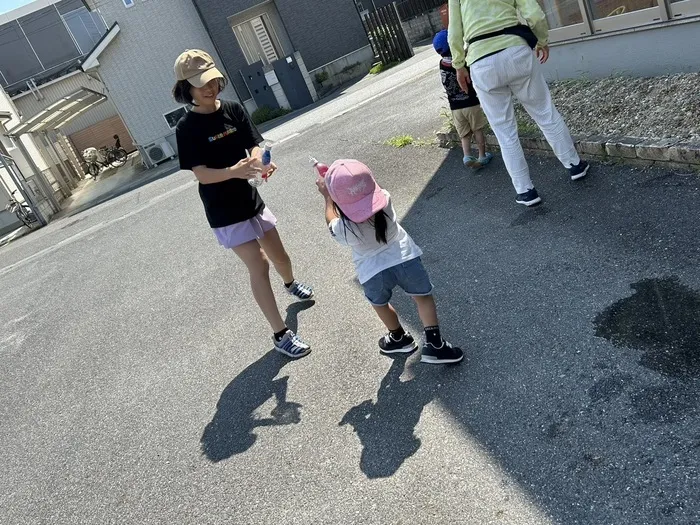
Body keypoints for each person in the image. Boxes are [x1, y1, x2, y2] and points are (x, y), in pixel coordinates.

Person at [173, 49, 313, 358]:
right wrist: (234, 172)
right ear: (187, 89)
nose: (209, 88)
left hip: (250, 197)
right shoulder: (186, 128)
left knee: (280, 255)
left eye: (212, 80)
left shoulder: (234, 110)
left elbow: (252, 144)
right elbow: (202, 175)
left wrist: (258, 161)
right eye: (200, 84)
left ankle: (289, 283)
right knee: (259, 263)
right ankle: (280, 334)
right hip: (223, 210)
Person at [316, 159, 463, 365]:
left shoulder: (343, 229)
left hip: (372, 271)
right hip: (404, 256)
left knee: (380, 304)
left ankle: (398, 337)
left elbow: (331, 219)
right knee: (423, 297)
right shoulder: (385, 199)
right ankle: (435, 344)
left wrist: (328, 198)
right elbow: (371, 191)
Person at [447, 0, 589, 207]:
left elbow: (454, 33)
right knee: (544, 112)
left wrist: (459, 65)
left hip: (481, 61)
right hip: (515, 51)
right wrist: (542, 40)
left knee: (504, 131)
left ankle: (526, 191)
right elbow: (535, 14)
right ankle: (575, 165)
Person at [433, 29, 492, 170]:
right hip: (471, 103)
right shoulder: (462, 61)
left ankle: (466, 156)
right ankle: (482, 156)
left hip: (455, 107)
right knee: (478, 130)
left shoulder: (442, 64)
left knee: (464, 134)